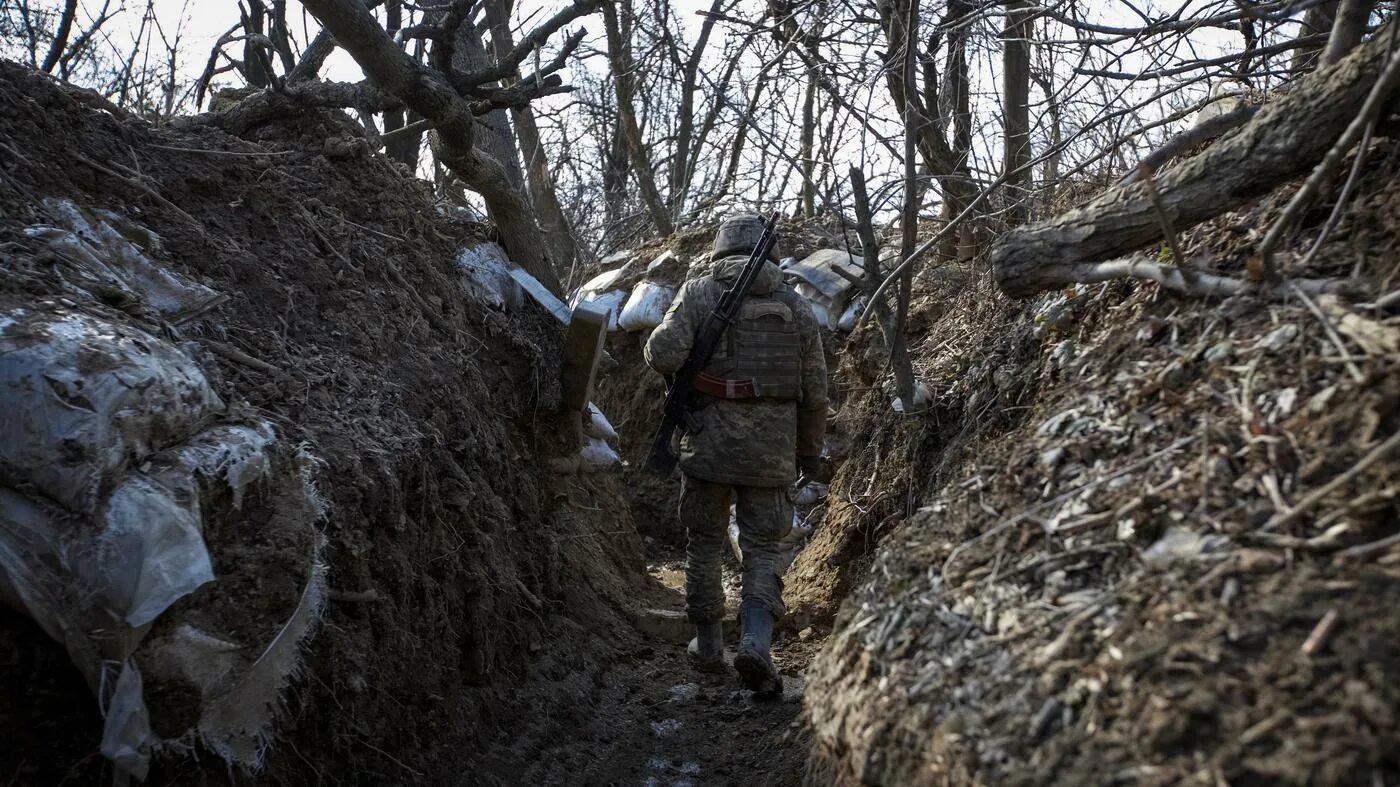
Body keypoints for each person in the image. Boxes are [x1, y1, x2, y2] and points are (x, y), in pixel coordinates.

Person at [643, 213, 827, 698]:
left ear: (721, 250)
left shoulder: (700, 292)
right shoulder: (797, 306)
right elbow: (815, 394)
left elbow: (661, 354)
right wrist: (809, 456)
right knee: (764, 548)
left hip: (707, 444)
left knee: (703, 543)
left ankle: (707, 647)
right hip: (772, 454)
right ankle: (756, 645)